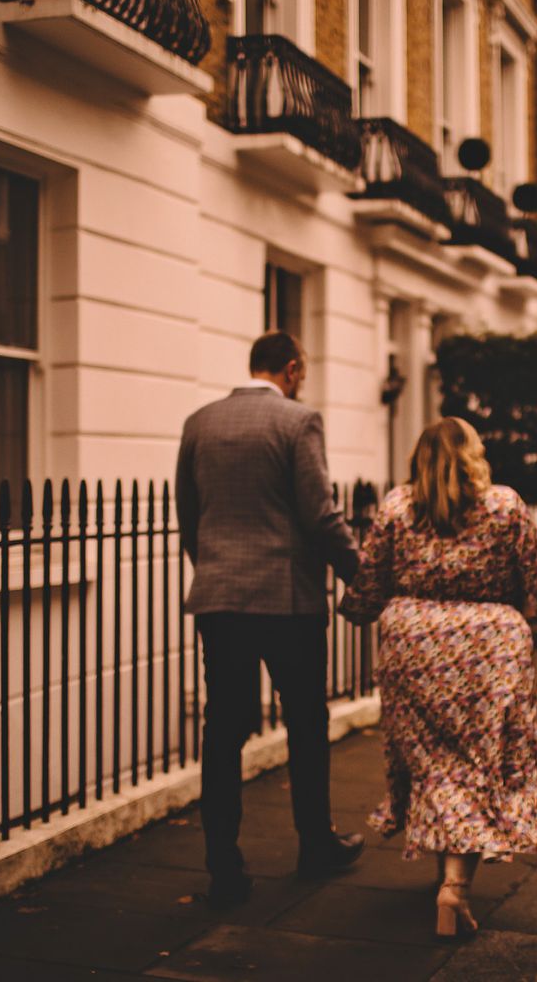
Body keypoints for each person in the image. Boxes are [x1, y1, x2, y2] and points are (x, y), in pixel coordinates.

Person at [340, 417, 537, 937]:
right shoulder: (504, 505)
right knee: (478, 766)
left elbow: (366, 590)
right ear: (474, 456)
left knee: (433, 765)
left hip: (413, 647)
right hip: (488, 648)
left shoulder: (396, 506)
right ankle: (454, 889)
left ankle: (445, 879)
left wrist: (360, 608)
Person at [175, 330, 364, 908]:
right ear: (290, 367)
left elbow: (189, 514)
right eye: (300, 373)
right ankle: (315, 847)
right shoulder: (299, 422)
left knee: (223, 731)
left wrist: (215, 569)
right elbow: (319, 515)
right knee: (306, 725)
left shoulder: (199, 422)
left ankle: (224, 870)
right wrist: (364, 575)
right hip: (287, 603)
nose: (300, 382)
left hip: (220, 599)